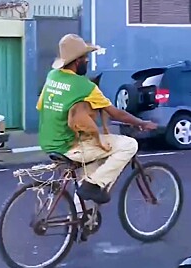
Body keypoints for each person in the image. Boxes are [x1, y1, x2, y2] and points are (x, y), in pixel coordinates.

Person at [36, 34, 158, 204]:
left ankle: (80, 218)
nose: (87, 61)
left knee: (93, 165)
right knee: (129, 145)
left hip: (48, 142)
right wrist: (141, 123)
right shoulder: (86, 86)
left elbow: (41, 106)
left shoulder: (52, 77)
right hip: (70, 146)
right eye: (85, 58)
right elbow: (115, 113)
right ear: (78, 61)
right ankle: (93, 185)